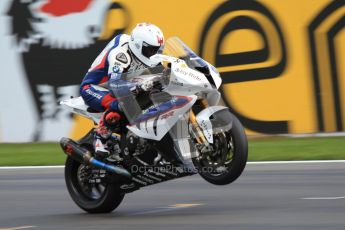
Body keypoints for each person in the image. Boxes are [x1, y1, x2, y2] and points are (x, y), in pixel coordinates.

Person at [80, 22, 165, 158]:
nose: (153, 53)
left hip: (120, 84)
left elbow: (162, 70)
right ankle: (100, 138)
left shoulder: (145, 54)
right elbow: (115, 87)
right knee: (121, 104)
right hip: (94, 88)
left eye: (157, 49)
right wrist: (139, 87)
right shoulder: (120, 55)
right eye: (151, 50)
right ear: (138, 45)